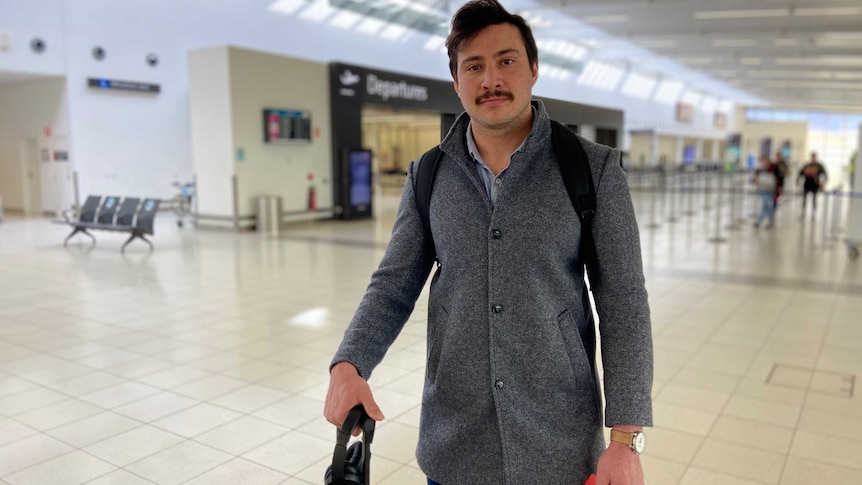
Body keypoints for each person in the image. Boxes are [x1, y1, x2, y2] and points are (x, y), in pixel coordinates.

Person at [324, 1, 653, 484]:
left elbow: (623, 300)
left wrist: (625, 439)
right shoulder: (429, 174)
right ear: (456, 81)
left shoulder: (591, 169)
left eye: (506, 61)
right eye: (473, 66)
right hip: (455, 440)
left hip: (557, 440)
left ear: (534, 69)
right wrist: (348, 363)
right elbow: (393, 284)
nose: (490, 79)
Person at [797, 152, 827, 218]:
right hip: (807, 184)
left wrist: (823, 183)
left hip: (815, 185)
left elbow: (824, 174)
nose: (813, 158)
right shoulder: (807, 165)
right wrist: (797, 181)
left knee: (814, 200)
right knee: (804, 199)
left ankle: (813, 213)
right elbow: (801, 173)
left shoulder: (819, 166)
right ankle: (803, 212)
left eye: (814, 156)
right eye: (812, 156)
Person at [753, 155, 777, 229]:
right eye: (763, 161)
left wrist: (760, 181)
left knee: (765, 204)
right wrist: (756, 181)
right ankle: (770, 221)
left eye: (765, 161)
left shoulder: (772, 169)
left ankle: (759, 221)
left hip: (769, 190)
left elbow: (772, 182)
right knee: (766, 206)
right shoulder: (759, 170)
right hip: (762, 190)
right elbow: (755, 179)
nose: (764, 163)